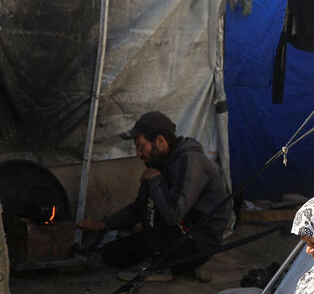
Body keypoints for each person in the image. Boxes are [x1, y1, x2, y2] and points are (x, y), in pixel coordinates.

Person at [76, 111, 234, 282]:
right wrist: (103, 224)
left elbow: (173, 215)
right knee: (111, 254)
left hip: (198, 242)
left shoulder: (189, 161)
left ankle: (161, 265)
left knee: (149, 184)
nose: (138, 154)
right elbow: (140, 208)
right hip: (175, 235)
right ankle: (176, 263)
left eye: (141, 146)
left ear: (159, 141)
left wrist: (155, 180)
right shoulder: (167, 161)